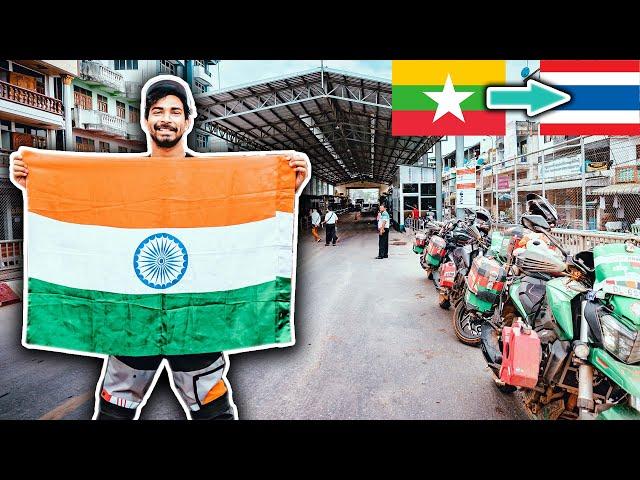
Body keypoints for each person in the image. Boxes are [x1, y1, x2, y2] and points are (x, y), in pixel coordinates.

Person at [11, 75, 308, 420]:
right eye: (157, 111)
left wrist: (287, 186)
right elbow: (80, 209)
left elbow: (248, 210)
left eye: (174, 111)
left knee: (213, 412)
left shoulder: (214, 176)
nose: (166, 118)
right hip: (133, 319)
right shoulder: (121, 179)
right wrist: (34, 182)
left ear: (187, 120)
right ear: (146, 119)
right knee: (113, 412)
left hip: (195, 318)